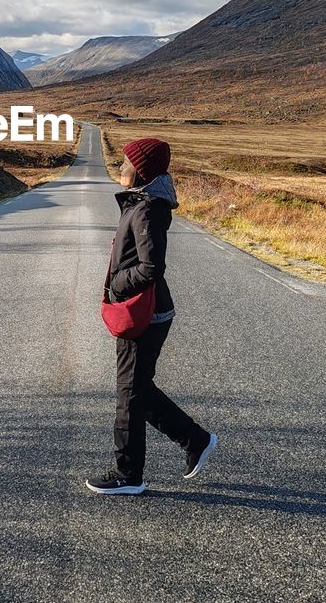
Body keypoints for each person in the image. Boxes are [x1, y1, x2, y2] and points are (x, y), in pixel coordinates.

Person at [86, 137, 217, 496]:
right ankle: (194, 440)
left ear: (140, 169)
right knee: (137, 389)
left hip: (145, 313)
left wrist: (116, 284)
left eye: (127, 161)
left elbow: (151, 267)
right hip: (147, 309)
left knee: (130, 393)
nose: (121, 167)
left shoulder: (147, 209)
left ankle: (128, 474)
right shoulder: (143, 203)